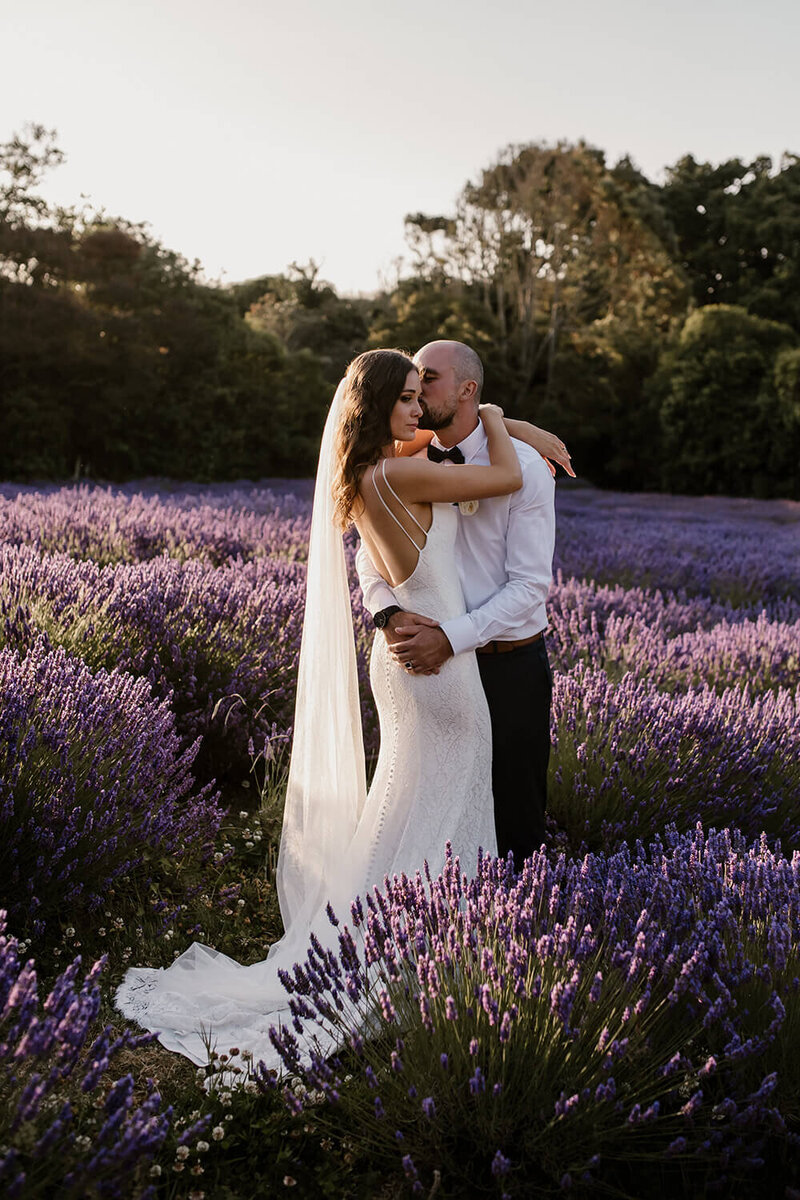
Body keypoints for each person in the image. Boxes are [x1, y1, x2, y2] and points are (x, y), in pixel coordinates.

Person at [114, 348, 554, 1075]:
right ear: (384, 403)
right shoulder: (405, 470)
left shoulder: (363, 474)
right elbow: (498, 471)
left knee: (407, 796)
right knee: (456, 797)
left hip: (400, 658)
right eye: (408, 397)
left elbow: (447, 453)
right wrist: (506, 420)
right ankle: (431, 956)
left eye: (425, 393)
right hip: (438, 661)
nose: (418, 409)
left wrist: (511, 424)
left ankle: (381, 934)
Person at [356, 340, 558, 864]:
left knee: (513, 826)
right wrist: (387, 612)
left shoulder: (527, 470)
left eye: (429, 379)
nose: (418, 393)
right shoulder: (407, 456)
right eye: (410, 386)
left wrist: (451, 637)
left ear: (468, 389)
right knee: (428, 814)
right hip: (426, 666)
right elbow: (367, 553)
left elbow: (531, 587)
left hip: (504, 666)